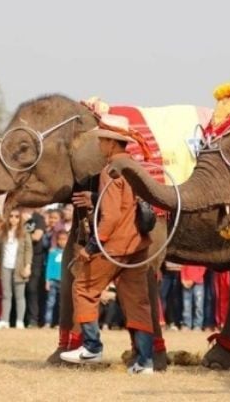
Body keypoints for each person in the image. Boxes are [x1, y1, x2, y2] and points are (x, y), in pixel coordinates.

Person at [61, 114, 155, 374]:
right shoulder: (133, 167)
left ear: (112, 144)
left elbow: (112, 216)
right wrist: (95, 197)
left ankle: (91, 347)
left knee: (83, 288)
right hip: (137, 245)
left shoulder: (110, 170)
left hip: (114, 246)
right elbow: (128, 203)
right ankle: (144, 362)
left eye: (103, 140)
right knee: (138, 302)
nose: (100, 145)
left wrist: (91, 247)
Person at [0, 209, 32, 329]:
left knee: (20, 295)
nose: (14, 219)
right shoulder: (2, 232)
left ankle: (20, 321)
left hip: (19, 267)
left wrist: (28, 266)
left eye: (17, 217)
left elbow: (29, 250)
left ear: (20, 219)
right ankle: (5, 320)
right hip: (5, 266)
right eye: (11, 216)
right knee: (6, 295)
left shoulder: (24, 232)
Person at [22, 206, 46, 327]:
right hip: (20, 257)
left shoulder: (38, 219)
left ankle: (33, 320)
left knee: (32, 289)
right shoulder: (17, 216)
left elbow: (37, 236)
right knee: (20, 289)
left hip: (35, 258)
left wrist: (22, 235)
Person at [44, 229, 67, 328]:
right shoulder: (52, 252)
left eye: (64, 239)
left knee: (62, 304)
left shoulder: (70, 253)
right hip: (53, 280)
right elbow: (49, 266)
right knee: (50, 302)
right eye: (60, 239)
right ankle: (47, 322)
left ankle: (60, 323)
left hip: (64, 281)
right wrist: (47, 280)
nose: (62, 241)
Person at [180, 264, 206, 331]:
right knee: (186, 305)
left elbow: (203, 269)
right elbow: (183, 267)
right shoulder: (186, 255)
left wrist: (193, 280)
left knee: (198, 305)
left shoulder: (200, 255)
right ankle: (186, 324)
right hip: (186, 282)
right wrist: (183, 279)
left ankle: (198, 325)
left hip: (198, 283)